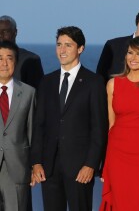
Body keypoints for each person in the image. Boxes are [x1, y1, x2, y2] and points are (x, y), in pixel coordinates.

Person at [30, 26, 108, 211]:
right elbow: (39, 125)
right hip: (49, 167)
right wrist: (36, 161)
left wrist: (90, 164)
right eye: (59, 45)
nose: (62, 50)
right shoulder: (46, 82)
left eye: (68, 45)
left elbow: (99, 128)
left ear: (80, 48)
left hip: (80, 167)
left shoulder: (94, 82)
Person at [99, 36, 139, 211]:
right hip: (117, 155)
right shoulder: (113, 84)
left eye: (138, 54)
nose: (133, 58)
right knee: (118, 203)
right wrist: (105, 162)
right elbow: (111, 125)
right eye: (130, 53)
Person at [0, 40, 36, 211]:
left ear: (16, 61)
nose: (4, 63)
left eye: (9, 58)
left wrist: (34, 165)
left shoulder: (29, 92)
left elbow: (31, 132)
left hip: (17, 169)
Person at [0, 15, 44, 89]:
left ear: (15, 32)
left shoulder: (31, 60)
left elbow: (38, 94)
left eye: (5, 32)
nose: (0, 35)